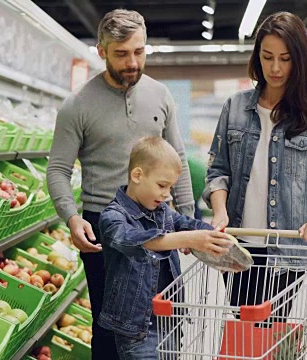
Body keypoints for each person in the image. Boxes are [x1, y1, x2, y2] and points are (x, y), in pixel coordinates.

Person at [46, 9, 195, 358]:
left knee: (162, 318)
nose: (132, 62)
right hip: (105, 228)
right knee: (110, 327)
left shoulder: (161, 96)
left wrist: (187, 213)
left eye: (139, 52)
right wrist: (71, 217)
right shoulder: (77, 106)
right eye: (122, 53)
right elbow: (57, 169)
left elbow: (179, 158)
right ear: (101, 51)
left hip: (158, 220)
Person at [203, 12, 307, 323]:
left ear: (300, 61)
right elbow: (217, 172)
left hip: (289, 248)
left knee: (270, 332)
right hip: (239, 243)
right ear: (258, 57)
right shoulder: (236, 108)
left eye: (285, 58)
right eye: (267, 57)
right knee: (246, 329)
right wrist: (219, 212)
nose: (276, 68)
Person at [98, 136, 232, 359]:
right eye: (162, 185)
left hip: (169, 319)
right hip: (136, 327)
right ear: (137, 175)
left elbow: (187, 224)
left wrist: (215, 236)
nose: (167, 194)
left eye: (170, 187)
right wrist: (186, 239)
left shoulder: (162, 212)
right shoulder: (113, 217)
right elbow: (134, 240)